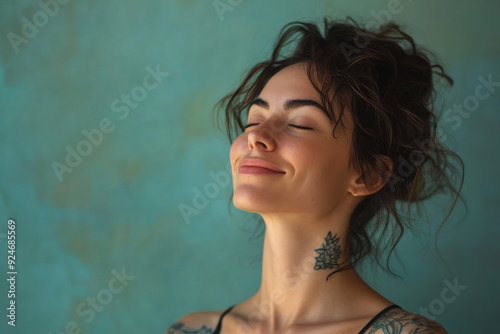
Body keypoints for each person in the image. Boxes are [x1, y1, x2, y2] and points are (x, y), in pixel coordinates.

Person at [166, 18, 463, 334]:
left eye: (300, 124)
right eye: (254, 120)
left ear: (369, 174)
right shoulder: (189, 329)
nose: (256, 136)